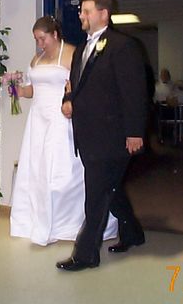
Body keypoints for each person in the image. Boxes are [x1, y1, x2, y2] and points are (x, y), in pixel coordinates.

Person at [58, 0, 148, 271]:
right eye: (81, 12)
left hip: (113, 135)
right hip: (87, 134)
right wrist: (68, 100)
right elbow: (75, 86)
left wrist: (135, 132)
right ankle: (133, 233)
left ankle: (85, 254)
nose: (81, 16)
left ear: (103, 14)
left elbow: (134, 92)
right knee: (110, 189)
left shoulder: (123, 46)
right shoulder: (81, 49)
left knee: (96, 194)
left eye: (86, 11)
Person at [10, 16, 118, 245]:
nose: (40, 44)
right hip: (38, 119)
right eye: (36, 40)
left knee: (61, 171)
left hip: (61, 117)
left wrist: (71, 101)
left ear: (55, 34)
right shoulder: (37, 58)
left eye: (43, 38)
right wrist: (12, 87)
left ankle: (69, 223)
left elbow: (85, 86)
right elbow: (30, 91)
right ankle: (38, 220)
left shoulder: (72, 53)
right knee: (37, 169)